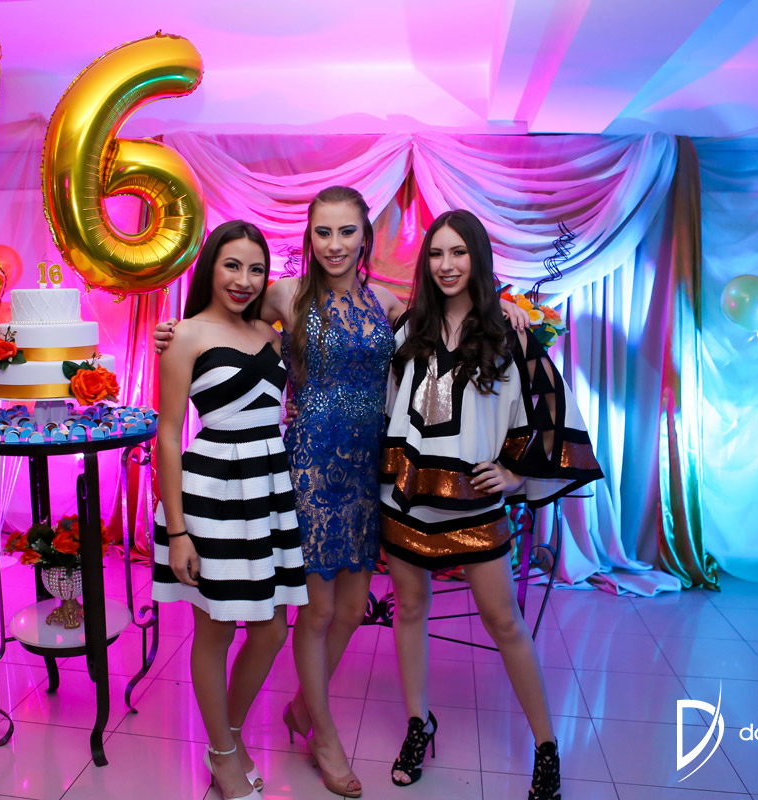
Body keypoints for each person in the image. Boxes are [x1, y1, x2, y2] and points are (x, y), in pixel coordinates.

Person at [155, 187, 529, 798]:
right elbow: (229, 315)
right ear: (309, 238)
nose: (334, 245)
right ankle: (322, 737)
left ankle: (302, 707)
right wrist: (176, 331)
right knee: (319, 612)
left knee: (354, 609)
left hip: (366, 471)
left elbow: (451, 307)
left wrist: (506, 305)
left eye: (346, 232)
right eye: (322, 232)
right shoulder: (287, 295)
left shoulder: (388, 303)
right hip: (305, 470)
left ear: (365, 237)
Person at [379, 210, 603, 800]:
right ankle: (418, 724)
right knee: (410, 610)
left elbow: (551, 409)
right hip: (404, 501)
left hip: (474, 505)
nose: (446, 264)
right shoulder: (408, 329)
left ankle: (546, 748)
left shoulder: (510, 332)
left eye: (459, 252)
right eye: (436, 253)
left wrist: (515, 471)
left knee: (505, 623)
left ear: (477, 257)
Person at [152, 220, 308, 800]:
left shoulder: (273, 333)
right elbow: (169, 437)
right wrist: (178, 532)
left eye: (256, 268)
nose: (244, 279)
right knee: (215, 629)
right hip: (213, 491)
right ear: (210, 268)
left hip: (267, 490)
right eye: (231, 265)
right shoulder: (184, 336)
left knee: (271, 629)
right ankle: (221, 754)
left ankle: (230, 735)